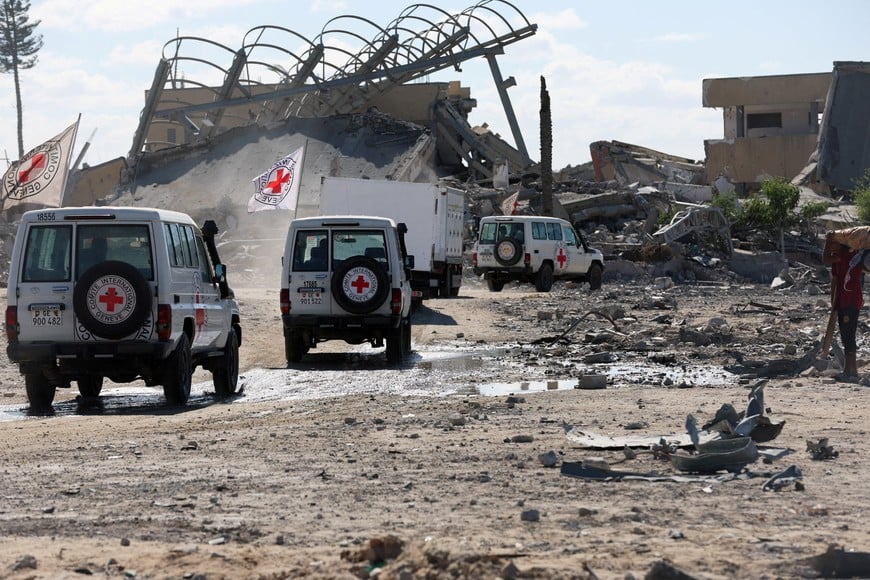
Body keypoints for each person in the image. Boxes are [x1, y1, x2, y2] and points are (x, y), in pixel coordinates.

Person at [823, 233, 865, 380]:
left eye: (834, 244)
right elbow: (834, 280)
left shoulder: (846, 256)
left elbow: (825, 259)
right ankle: (849, 369)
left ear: (840, 245)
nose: (831, 248)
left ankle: (851, 371)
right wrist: (833, 301)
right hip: (844, 300)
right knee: (846, 335)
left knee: (848, 335)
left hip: (850, 300)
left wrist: (828, 242)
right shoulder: (840, 257)